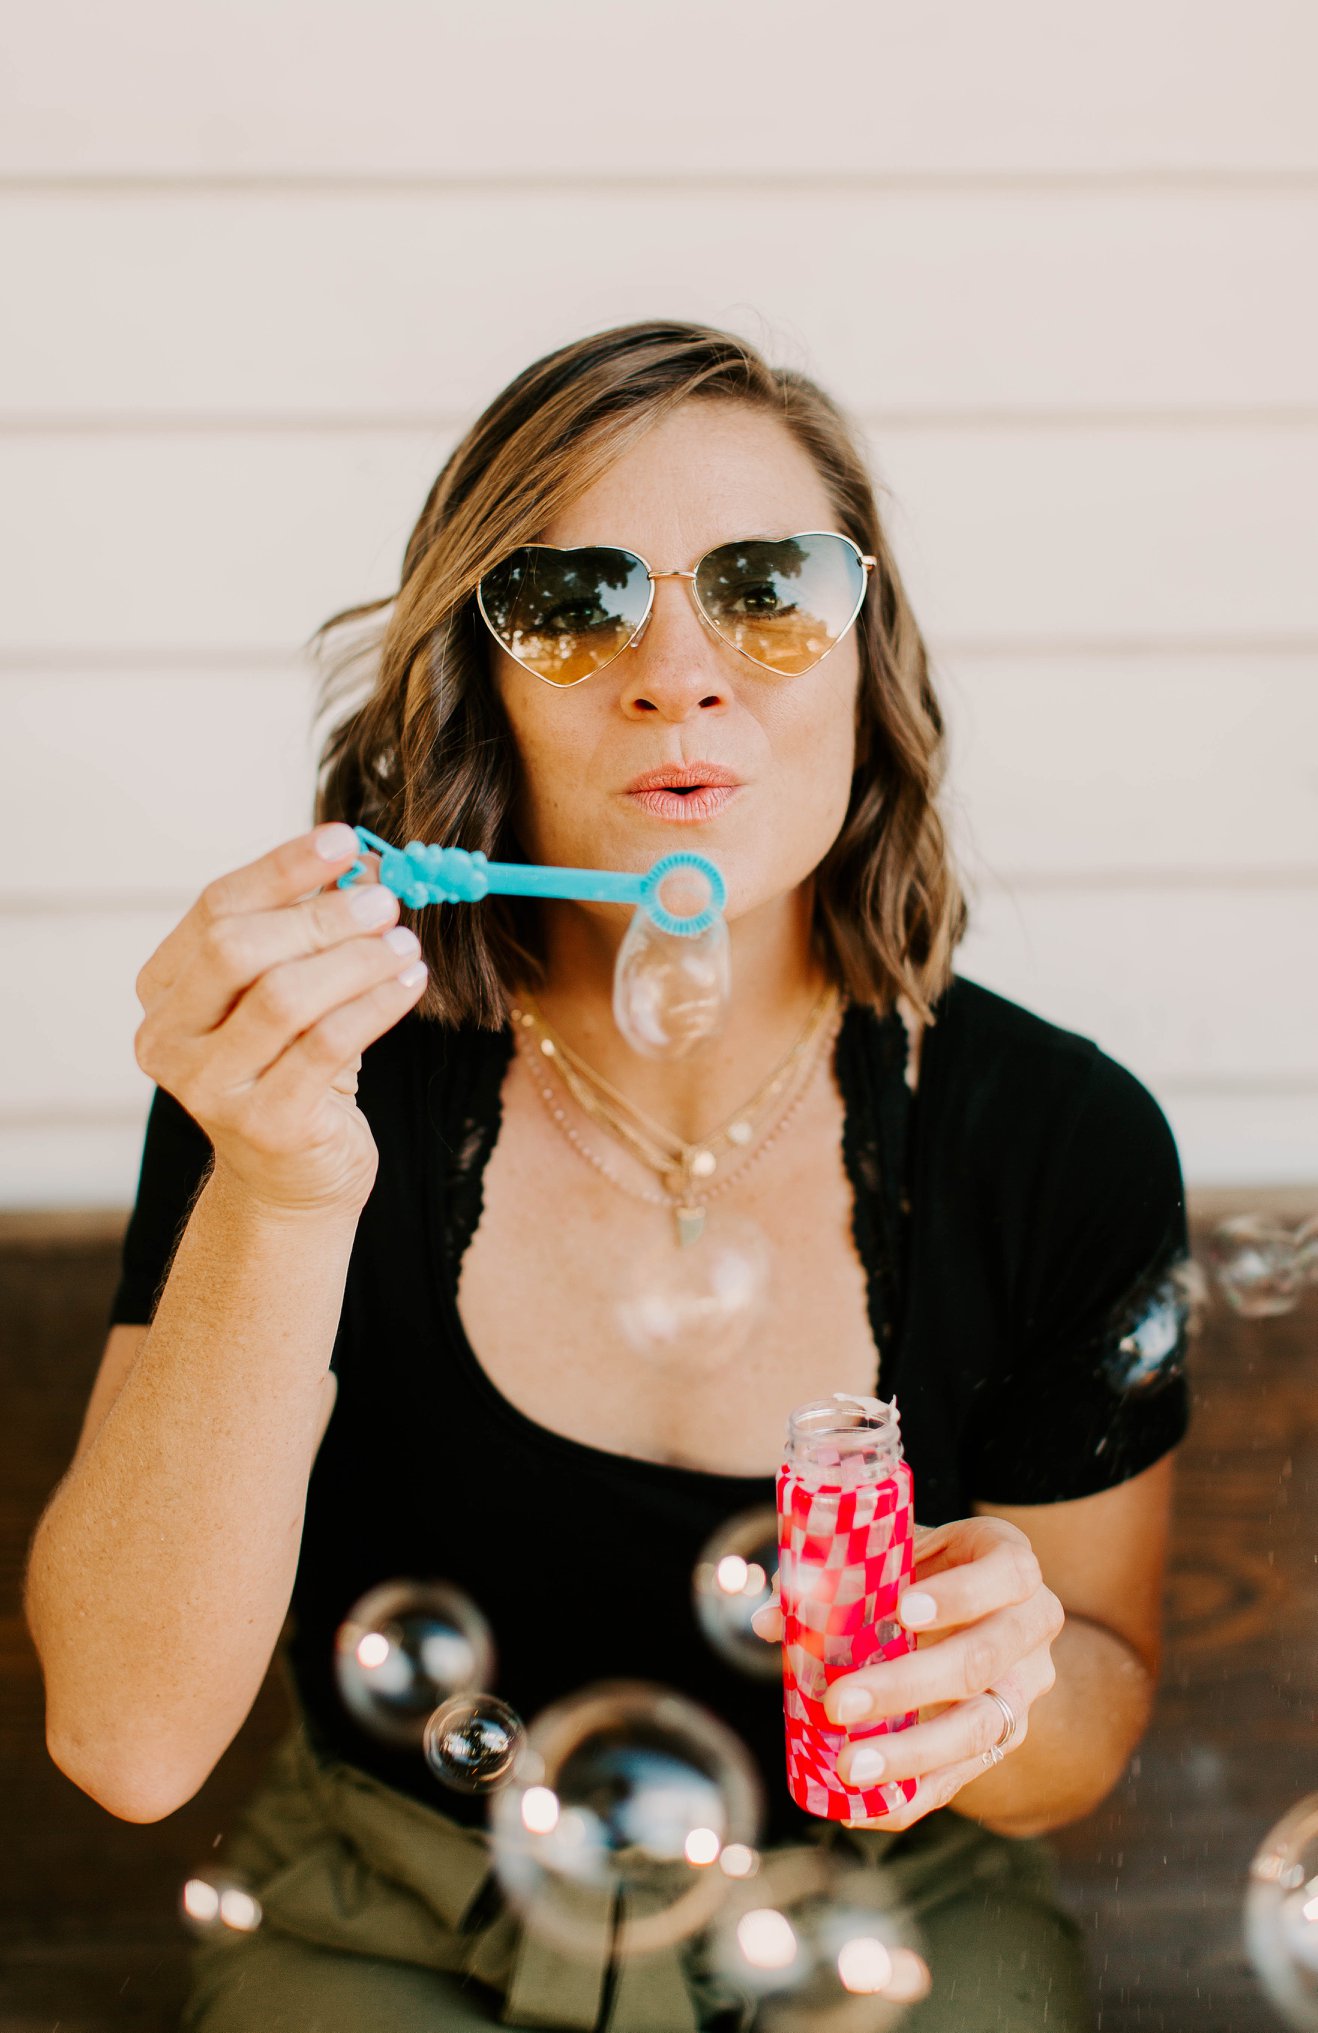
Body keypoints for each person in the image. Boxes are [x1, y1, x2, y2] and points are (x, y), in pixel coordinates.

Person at [25, 321, 1192, 2032]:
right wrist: (278, 1191)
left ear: (865, 657)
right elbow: (127, 1740)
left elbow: (1081, 1733)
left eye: (769, 588)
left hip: (894, 1910)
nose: (677, 673)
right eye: (571, 601)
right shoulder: (300, 1084)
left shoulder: (1054, 1140)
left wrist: (996, 1685)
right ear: (480, 684)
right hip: (390, 1921)